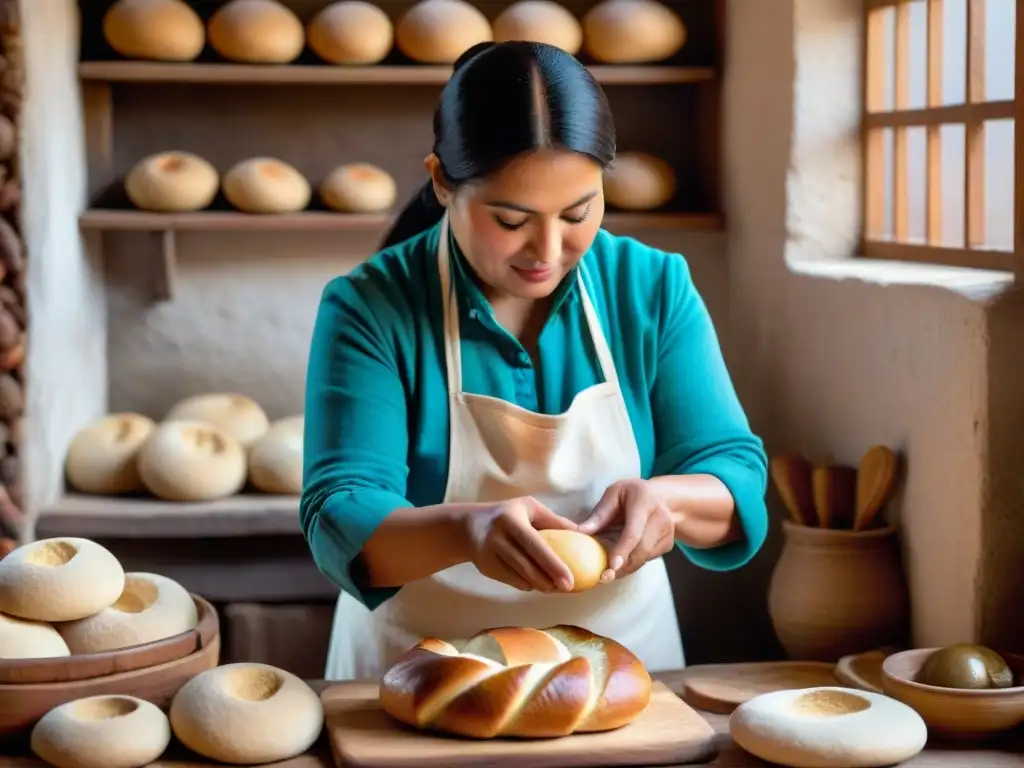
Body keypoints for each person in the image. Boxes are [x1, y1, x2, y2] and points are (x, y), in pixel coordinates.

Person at [301, 40, 768, 682]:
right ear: (441, 181)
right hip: (421, 669)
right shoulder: (371, 306)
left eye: (578, 212)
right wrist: (468, 534)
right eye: (512, 219)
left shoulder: (651, 286)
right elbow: (339, 509)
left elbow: (731, 467)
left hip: (622, 665)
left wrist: (669, 503)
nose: (548, 250)